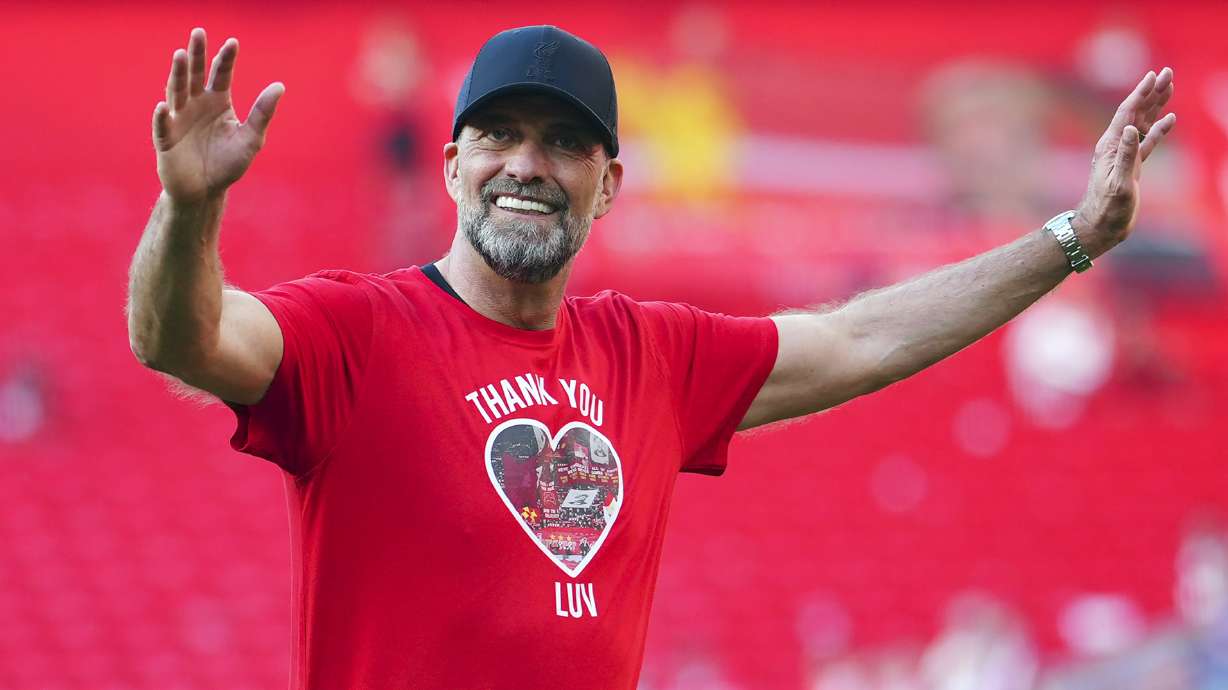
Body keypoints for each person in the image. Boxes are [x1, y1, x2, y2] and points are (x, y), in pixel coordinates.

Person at [125, 24, 1176, 690]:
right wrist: (188, 207)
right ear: (452, 164)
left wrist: (1072, 236)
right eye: (499, 136)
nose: (527, 166)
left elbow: (860, 336)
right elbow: (182, 337)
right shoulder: (354, 332)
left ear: (609, 183)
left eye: (565, 143)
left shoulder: (651, 355)